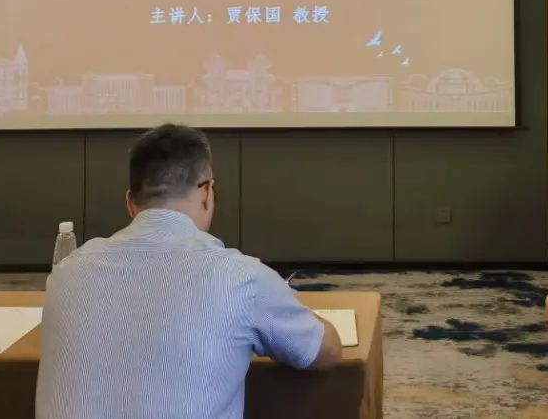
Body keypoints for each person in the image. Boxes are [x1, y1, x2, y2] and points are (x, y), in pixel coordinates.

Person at [36, 123, 342, 419]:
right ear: (207, 192)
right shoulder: (240, 277)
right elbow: (325, 351)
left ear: (130, 204)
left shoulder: (67, 272)